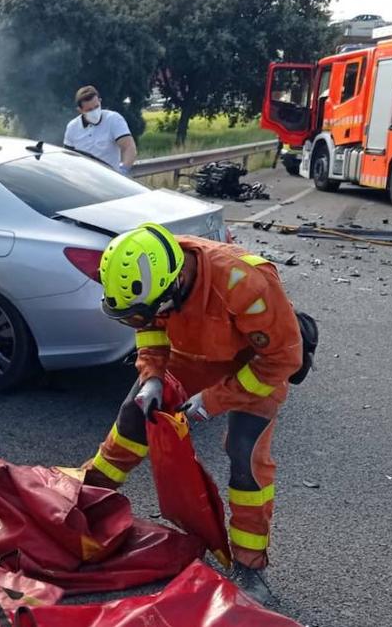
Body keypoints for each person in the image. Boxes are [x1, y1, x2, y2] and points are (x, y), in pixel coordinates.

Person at [85, 222, 303, 605]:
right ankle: (89, 500)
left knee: (244, 456)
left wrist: (213, 401)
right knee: (134, 414)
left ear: (176, 283)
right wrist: (152, 377)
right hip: (191, 356)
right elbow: (152, 329)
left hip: (253, 366)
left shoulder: (244, 283)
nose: (145, 320)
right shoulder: (152, 278)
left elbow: (283, 358)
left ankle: (250, 568)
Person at [63, 85, 137, 176]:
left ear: (100, 101)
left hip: (110, 178)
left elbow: (128, 147)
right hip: (83, 180)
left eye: (96, 107)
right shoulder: (72, 127)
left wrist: (123, 170)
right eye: (89, 110)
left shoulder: (113, 119)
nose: (94, 111)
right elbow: (68, 157)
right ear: (80, 110)